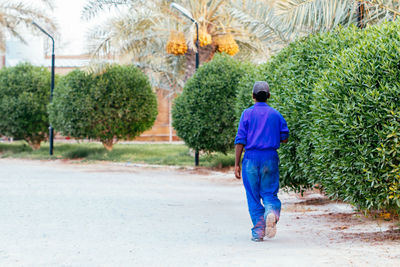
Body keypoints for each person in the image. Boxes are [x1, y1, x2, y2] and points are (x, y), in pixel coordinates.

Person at [234, 81, 289, 242]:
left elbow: (240, 140)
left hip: (250, 159)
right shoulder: (275, 114)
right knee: (269, 193)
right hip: (270, 158)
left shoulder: (247, 114)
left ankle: (258, 232)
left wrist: (237, 164)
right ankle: (271, 211)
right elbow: (284, 138)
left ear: (253, 96)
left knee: (252, 196)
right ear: (268, 96)